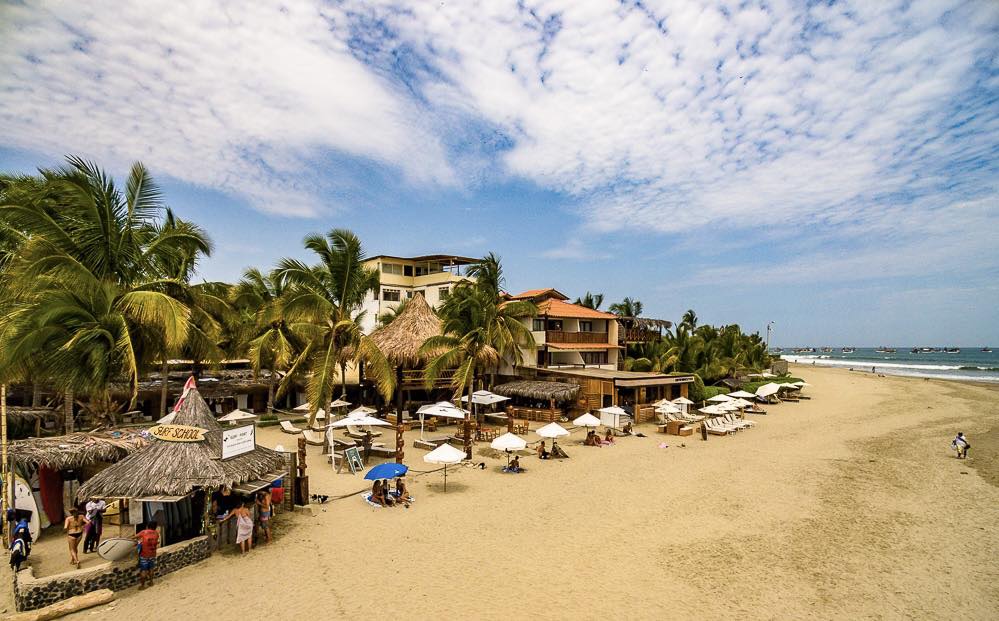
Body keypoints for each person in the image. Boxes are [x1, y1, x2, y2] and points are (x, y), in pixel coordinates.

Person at [133, 520, 159, 589]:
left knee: (143, 570)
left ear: (148, 526)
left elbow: (134, 537)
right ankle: (151, 582)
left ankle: (142, 586)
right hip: (153, 554)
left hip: (144, 555)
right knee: (151, 568)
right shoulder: (156, 533)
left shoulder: (144, 532)